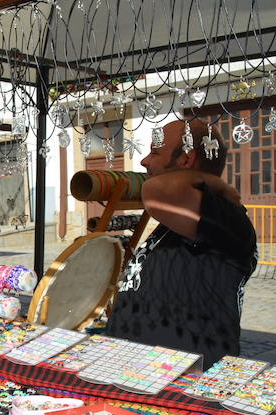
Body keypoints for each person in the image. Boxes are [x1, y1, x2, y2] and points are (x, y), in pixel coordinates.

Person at [105, 120, 257, 366]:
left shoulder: (226, 216)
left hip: (183, 379)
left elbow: (156, 193)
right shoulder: (180, 219)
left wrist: (212, 182)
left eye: (155, 153)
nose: (144, 161)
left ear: (186, 160)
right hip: (142, 373)